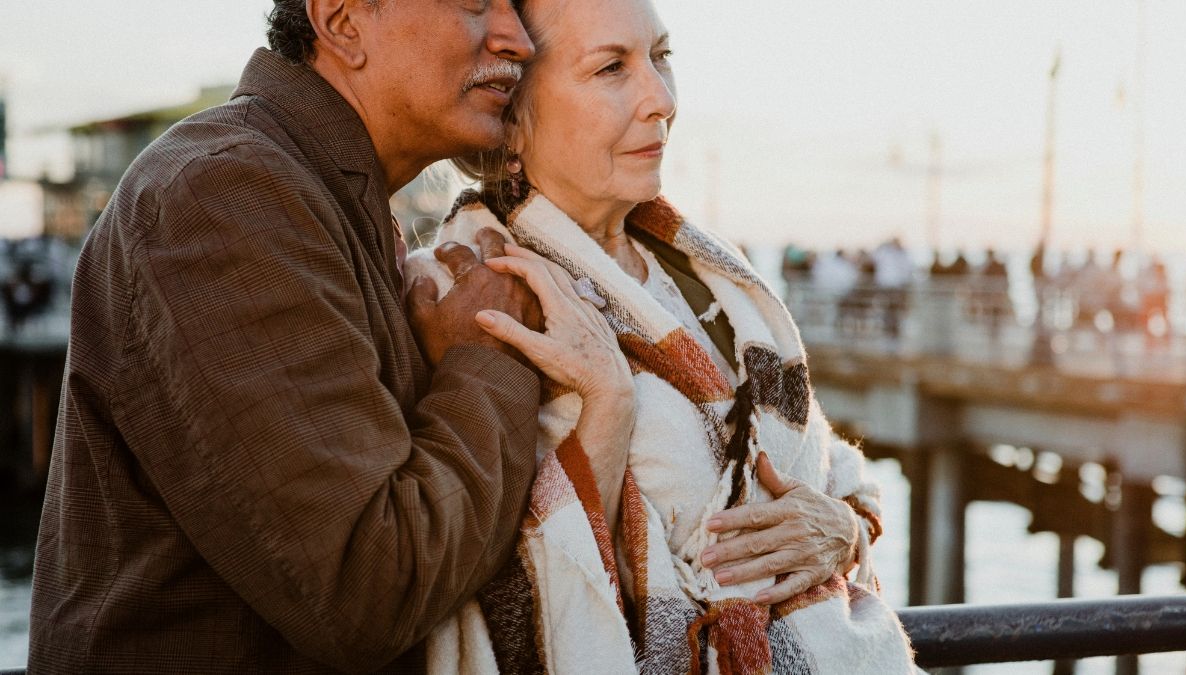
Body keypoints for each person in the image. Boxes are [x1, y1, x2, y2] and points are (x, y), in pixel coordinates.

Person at [28, 1, 631, 672]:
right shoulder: (222, 193)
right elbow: (371, 587)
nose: (517, 41)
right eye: (473, 4)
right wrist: (486, 351)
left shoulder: (326, 201)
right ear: (342, 22)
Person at [405, 0, 917, 671]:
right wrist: (608, 403)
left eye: (662, 57)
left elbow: (836, 474)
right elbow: (502, 585)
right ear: (513, 121)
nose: (660, 100)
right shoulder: (476, 290)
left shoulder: (709, 277)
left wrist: (843, 528)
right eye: (612, 68)